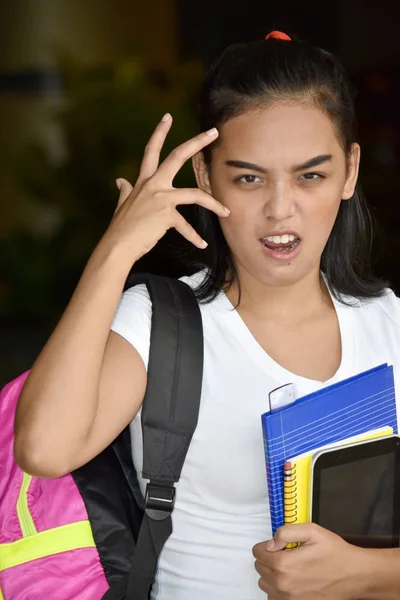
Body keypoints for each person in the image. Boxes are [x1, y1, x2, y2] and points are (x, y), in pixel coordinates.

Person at [14, 30, 400, 600]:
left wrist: (367, 574)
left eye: (309, 175)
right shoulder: (160, 325)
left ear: (349, 171)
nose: (279, 208)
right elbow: (44, 449)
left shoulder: (389, 323)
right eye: (248, 177)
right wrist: (116, 250)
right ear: (204, 178)